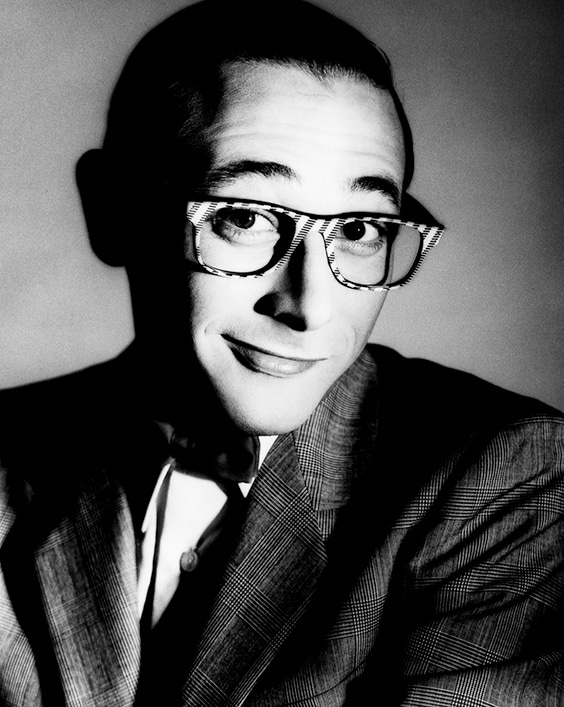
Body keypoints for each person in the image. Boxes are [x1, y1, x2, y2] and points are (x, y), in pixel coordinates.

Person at [0, 0, 563, 705]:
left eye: (360, 228)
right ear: (111, 210)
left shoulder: (508, 479)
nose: (310, 306)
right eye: (245, 216)